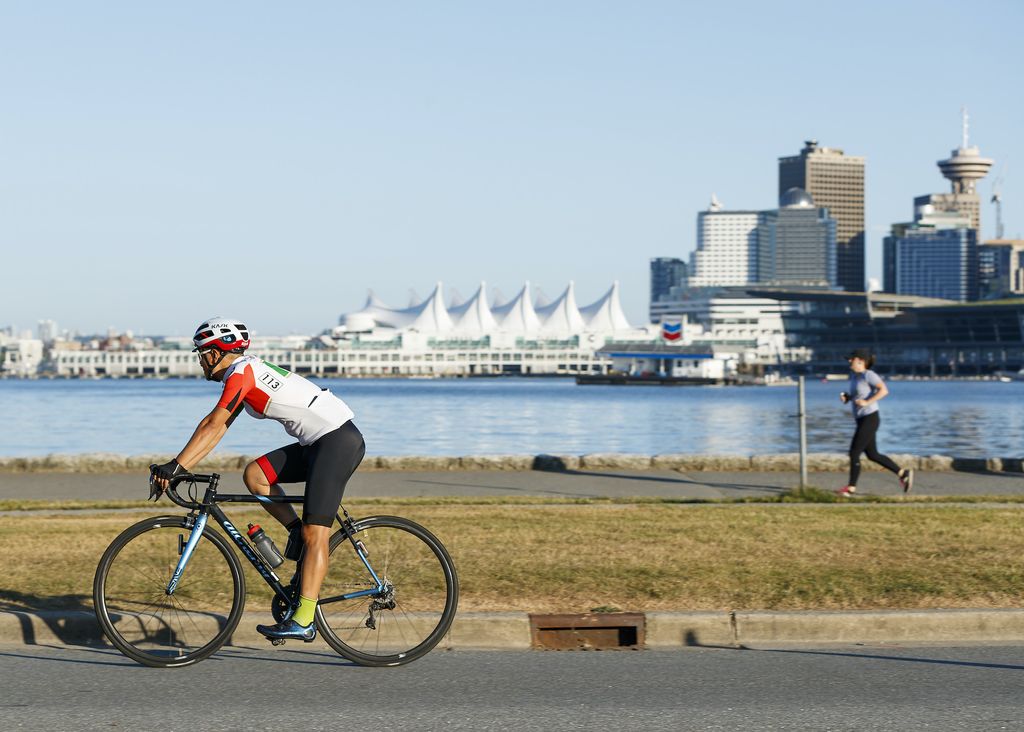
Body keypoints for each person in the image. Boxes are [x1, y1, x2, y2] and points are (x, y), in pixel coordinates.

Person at [150, 317, 365, 641]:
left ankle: (305, 619)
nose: (200, 359)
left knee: (316, 534)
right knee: (256, 475)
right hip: (317, 443)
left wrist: (176, 466)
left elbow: (213, 423)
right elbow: (219, 428)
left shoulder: (242, 373)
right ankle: (295, 533)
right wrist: (179, 466)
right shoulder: (244, 373)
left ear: (213, 352)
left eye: (201, 352)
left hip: (336, 441)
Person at [836, 348, 914, 497]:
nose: (849, 361)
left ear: (861, 361)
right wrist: (848, 397)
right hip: (861, 419)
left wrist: (867, 402)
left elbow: (884, 390)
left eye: (851, 359)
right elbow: (858, 395)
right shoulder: (854, 376)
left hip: (870, 418)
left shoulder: (868, 375)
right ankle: (903, 473)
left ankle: (851, 488)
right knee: (872, 454)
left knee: (854, 453)